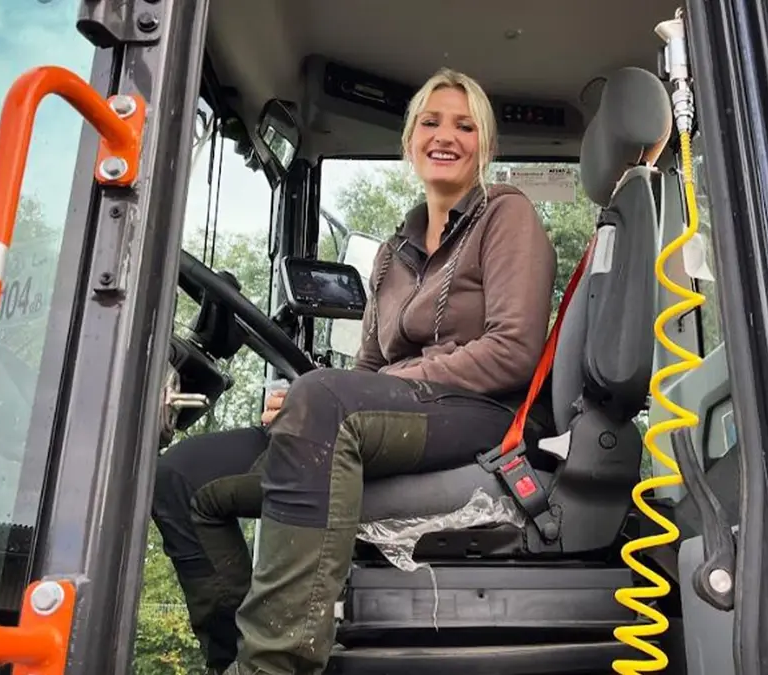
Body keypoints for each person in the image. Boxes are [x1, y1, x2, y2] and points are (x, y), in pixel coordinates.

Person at [151, 67, 558, 675]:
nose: (446, 136)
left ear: (487, 145)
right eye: (431, 122)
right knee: (182, 477)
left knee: (324, 400)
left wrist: (334, 396)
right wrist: (300, 404)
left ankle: (276, 664)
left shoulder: (506, 214)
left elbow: (513, 351)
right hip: (395, 414)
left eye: (465, 125)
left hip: (484, 412)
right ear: (410, 141)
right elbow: (367, 367)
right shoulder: (392, 253)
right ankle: (232, 659)